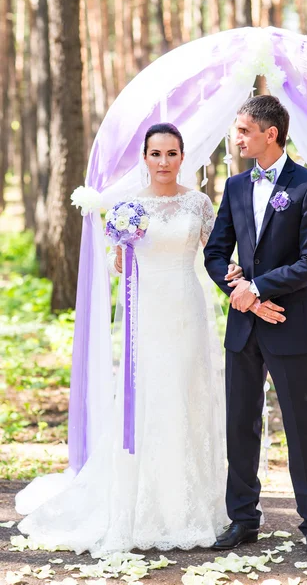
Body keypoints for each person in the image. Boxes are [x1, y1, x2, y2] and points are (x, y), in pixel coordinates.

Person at [16, 123, 243, 556]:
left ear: (182, 157)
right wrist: (122, 246)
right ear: (144, 157)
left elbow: (215, 253)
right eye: (155, 154)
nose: (163, 163)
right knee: (149, 399)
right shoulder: (128, 207)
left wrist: (235, 274)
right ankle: (143, 504)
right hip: (147, 316)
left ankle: (191, 505)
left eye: (172, 154)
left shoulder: (198, 203)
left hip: (188, 310)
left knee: (188, 397)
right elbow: (119, 265)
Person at [204, 95, 307, 559]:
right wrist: (240, 291)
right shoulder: (236, 186)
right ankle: (243, 518)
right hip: (244, 324)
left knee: (302, 425)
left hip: (289, 323)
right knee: (240, 423)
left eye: (243, 131)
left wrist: (257, 288)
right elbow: (216, 253)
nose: (236, 138)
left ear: (269, 133)